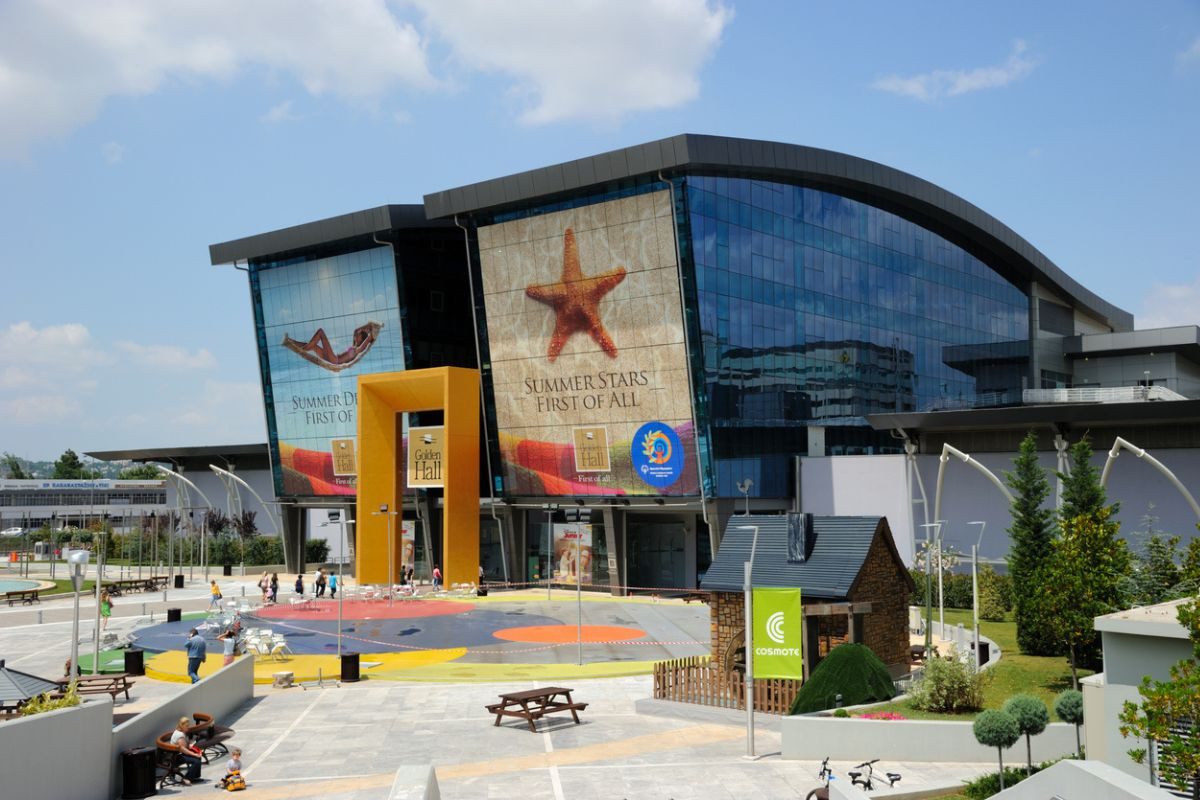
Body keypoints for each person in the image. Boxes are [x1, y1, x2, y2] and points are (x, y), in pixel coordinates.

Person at [170, 716, 203, 784]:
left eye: (188, 725)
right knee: (196, 761)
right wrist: (194, 754)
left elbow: (185, 747)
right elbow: (184, 750)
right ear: (182, 725)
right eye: (186, 726)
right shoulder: (180, 735)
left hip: (178, 754)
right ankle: (186, 778)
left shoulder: (180, 732)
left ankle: (194, 777)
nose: (188, 727)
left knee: (198, 757)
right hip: (176, 757)